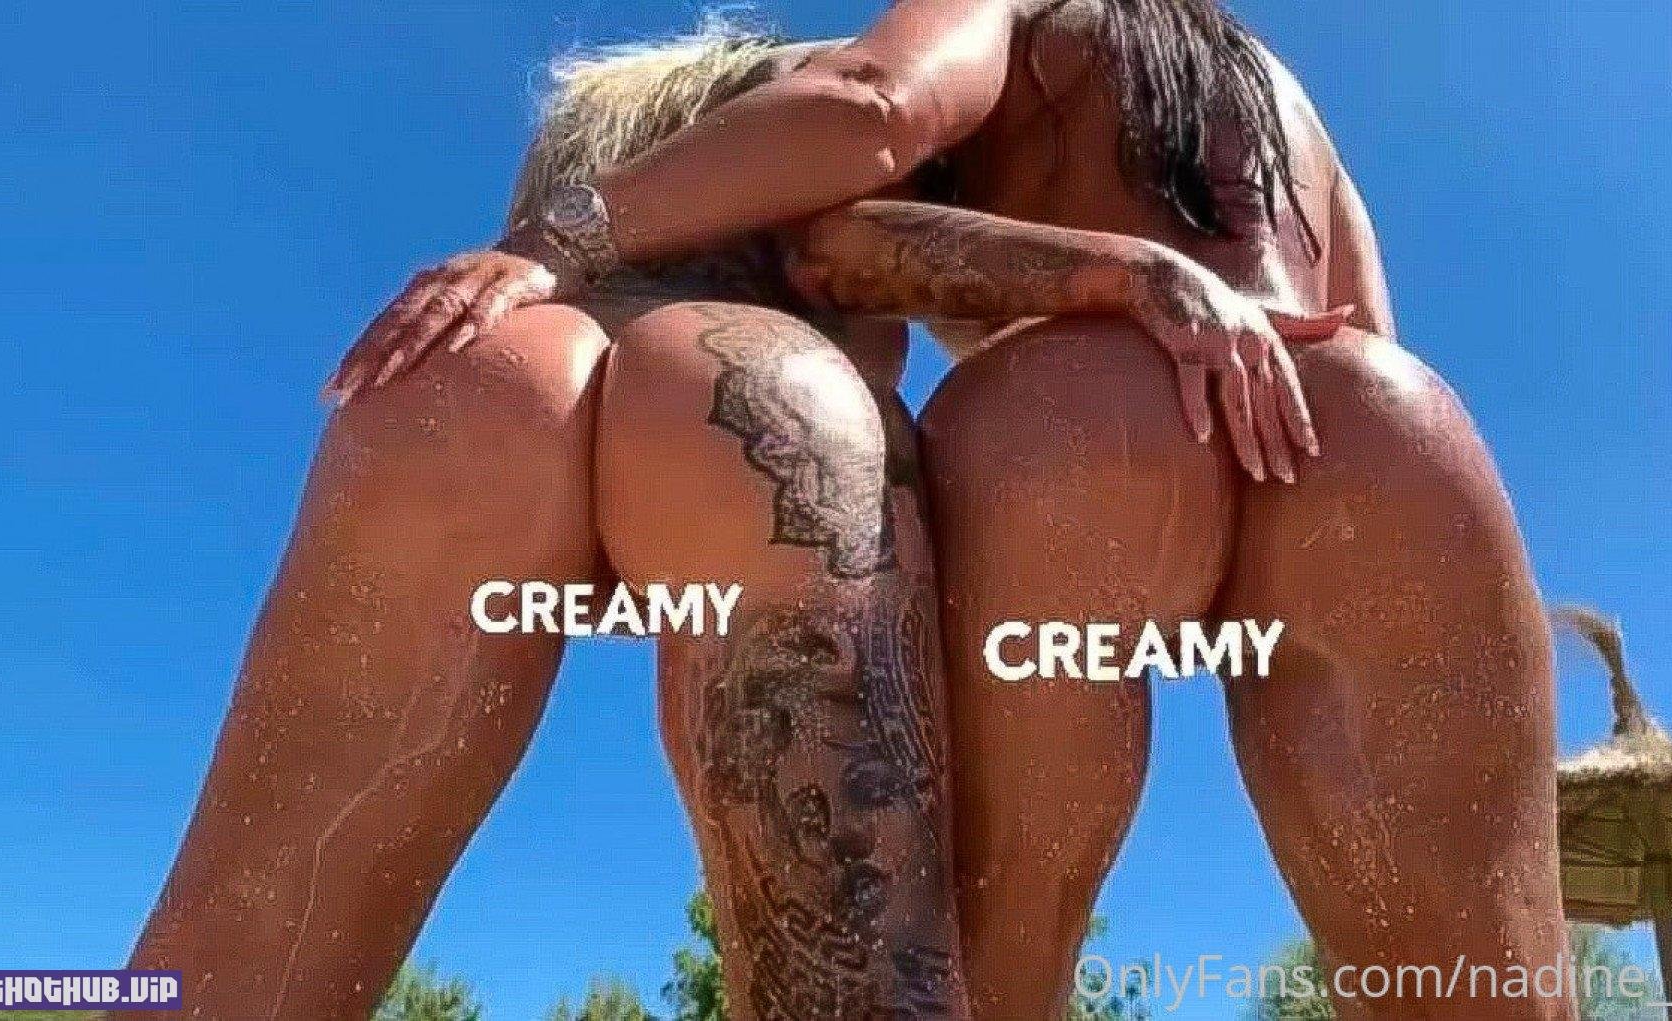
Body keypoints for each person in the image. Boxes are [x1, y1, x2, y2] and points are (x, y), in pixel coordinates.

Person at [343, 1, 1573, 1017]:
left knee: (987, 978)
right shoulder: (1276, 87)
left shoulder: (1024, 12)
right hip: (1370, 426)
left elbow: (867, 127)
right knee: (1479, 984)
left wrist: (561, 241)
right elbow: (1363, 333)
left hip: (1075, 429)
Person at [125, 30, 1343, 1020]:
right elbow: (851, 207)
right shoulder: (827, 98)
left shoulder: (571, 205)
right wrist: (1121, 272)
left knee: (254, 904)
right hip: (755, 389)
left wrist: (543, 248)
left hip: (486, 358)